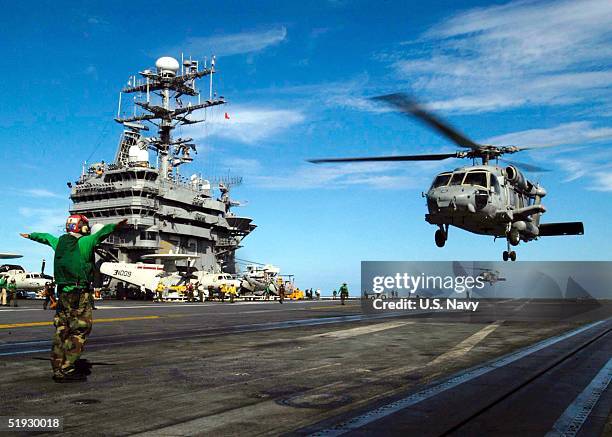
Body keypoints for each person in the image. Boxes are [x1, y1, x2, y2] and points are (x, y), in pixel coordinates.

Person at [21, 214, 126, 383]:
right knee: (80, 329)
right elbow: (101, 234)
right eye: (85, 226)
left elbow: (47, 237)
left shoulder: (60, 242)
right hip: (79, 293)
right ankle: (67, 368)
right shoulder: (85, 242)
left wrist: (31, 235)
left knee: (62, 329)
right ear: (81, 227)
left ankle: (58, 368)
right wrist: (116, 226)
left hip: (62, 293)